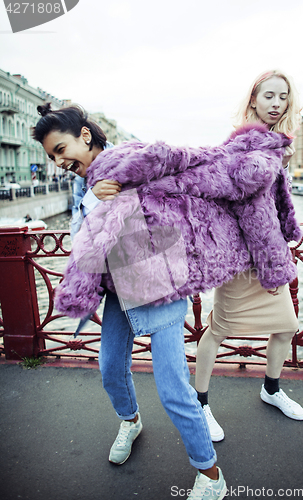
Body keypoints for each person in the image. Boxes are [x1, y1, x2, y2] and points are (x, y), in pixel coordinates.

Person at [32, 103, 229, 500]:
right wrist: (93, 204)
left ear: (85, 136)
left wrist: (115, 196)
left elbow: (167, 202)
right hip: (118, 290)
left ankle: (211, 475)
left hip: (158, 287)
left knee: (173, 388)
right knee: (109, 368)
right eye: (52, 157)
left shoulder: (131, 162)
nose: (58, 161)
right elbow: (81, 236)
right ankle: (131, 421)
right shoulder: (83, 182)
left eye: (60, 149)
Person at [194, 70, 303, 444]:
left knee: (287, 326)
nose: (276, 104)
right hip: (244, 258)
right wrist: (275, 161)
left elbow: (272, 201)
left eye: (283, 97)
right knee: (218, 330)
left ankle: (271, 390)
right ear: (254, 100)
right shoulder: (244, 143)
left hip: (269, 254)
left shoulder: (275, 143)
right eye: (269, 96)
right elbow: (240, 195)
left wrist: (281, 161)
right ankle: (201, 403)